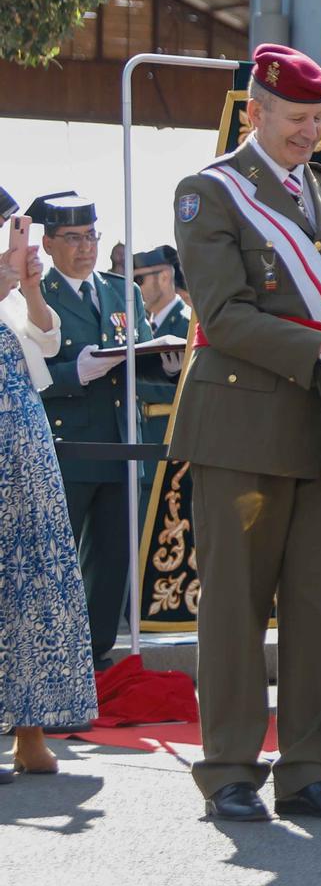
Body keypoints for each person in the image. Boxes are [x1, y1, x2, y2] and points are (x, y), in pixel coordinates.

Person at [169, 44, 321, 823]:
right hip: (242, 421)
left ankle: (312, 766)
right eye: (296, 118)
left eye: (319, 119)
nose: (310, 133)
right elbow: (221, 315)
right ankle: (228, 767)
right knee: (235, 603)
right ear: (255, 110)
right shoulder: (211, 193)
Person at [32, 191, 173, 668]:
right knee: (57, 563)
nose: (85, 247)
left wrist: (168, 366)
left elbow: (143, 364)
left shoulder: (121, 292)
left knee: (112, 564)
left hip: (119, 446)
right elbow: (25, 375)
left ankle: (94, 660)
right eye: (72, 238)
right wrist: (77, 372)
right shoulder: (34, 297)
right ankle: (52, 662)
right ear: (48, 243)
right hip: (66, 449)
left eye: (90, 235)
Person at [1, 196, 97, 777]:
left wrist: (30, 284)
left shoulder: (13, 283)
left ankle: (30, 728)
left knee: (34, 572)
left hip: (22, 439)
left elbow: (48, 339)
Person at [132, 246, 187, 445]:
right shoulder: (142, 327)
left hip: (173, 440)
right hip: (145, 439)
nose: (133, 288)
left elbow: (190, 389)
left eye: (138, 280)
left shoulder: (189, 325)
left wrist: (128, 383)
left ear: (164, 277)